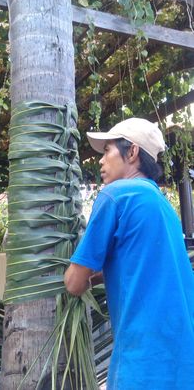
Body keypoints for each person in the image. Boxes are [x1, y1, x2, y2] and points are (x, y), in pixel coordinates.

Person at [64, 118, 194, 390]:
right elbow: (141, 266)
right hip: (183, 360)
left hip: (143, 363)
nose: (101, 161)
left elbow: (74, 283)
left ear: (132, 152)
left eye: (107, 151)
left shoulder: (115, 195)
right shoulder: (161, 204)